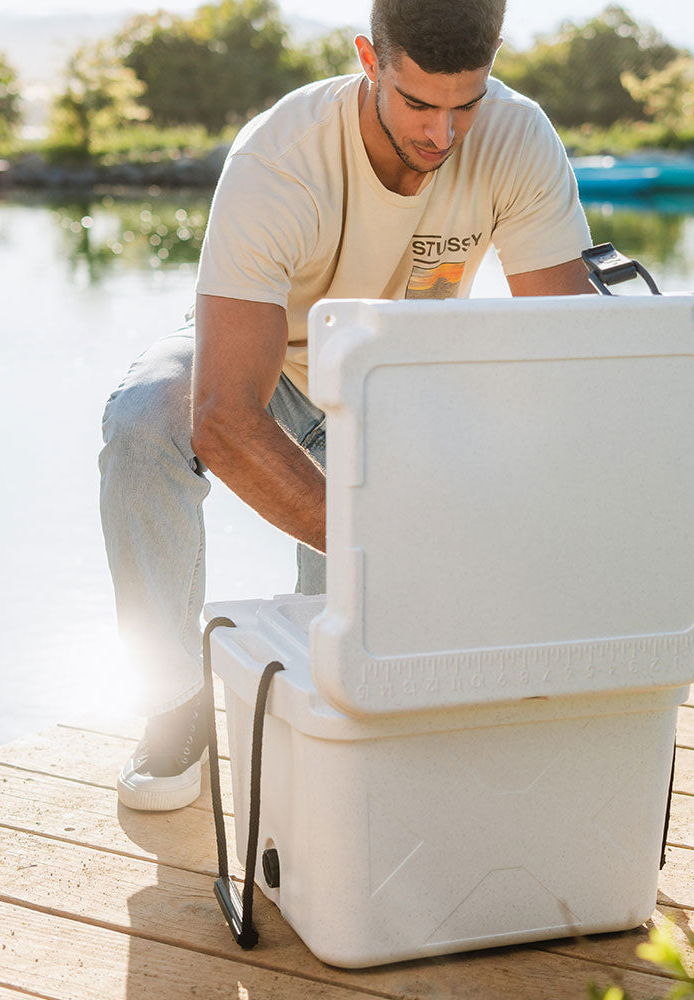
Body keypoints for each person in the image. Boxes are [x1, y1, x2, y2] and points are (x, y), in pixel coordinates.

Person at [99, 0, 594, 812]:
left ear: (495, 60)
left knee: (346, 678)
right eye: (419, 105)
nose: (443, 135)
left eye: (465, 103)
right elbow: (222, 414)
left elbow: (572, 354)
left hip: (394, 381)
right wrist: (383, 540)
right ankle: (171, 702)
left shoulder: (517, 135)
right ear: (371, 59)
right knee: (146, 418)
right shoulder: (280, 156)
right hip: (264, 364)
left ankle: (344, 683)